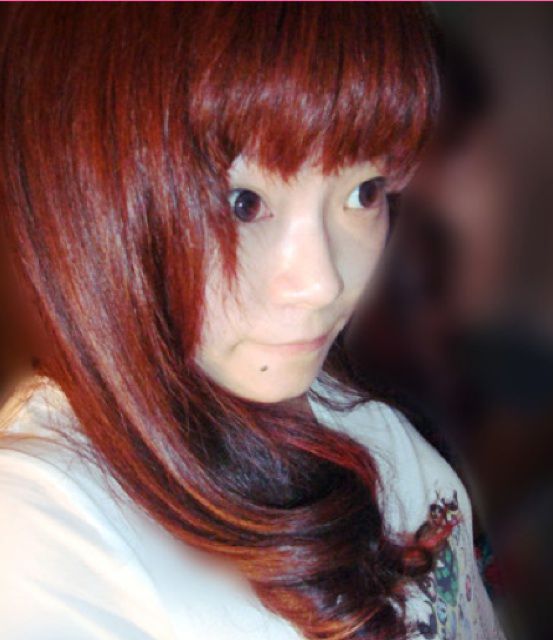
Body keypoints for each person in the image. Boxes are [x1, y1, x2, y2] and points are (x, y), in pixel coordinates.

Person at [0, 4, 505, 640]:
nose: (323, 284)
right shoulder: (43, 531)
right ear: (86, 198)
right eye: (244, 203)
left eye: (364, 192)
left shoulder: (336, 403)